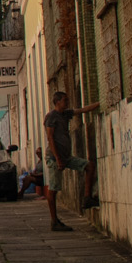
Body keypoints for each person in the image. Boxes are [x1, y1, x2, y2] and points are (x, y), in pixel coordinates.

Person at [43, 91, 95, 232]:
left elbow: (82, 110)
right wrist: (58, 159)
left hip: (66, 157)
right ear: (57, 102)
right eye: (65, 100)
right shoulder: (51, 117)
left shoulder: (65, 114)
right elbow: (50, 138)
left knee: (88, 166)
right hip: (55, 158)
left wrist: (101, 102)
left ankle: (87, 198)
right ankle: (54, 221)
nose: (67, 103)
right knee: (53, 189)